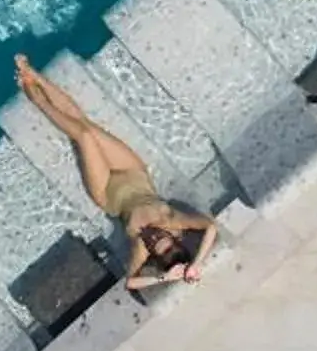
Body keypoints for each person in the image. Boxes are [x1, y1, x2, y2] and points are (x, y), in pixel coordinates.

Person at [14, 56, 220, 290]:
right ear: (175, 238)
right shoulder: (175, 221)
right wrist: (196, 264)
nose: (155, 238)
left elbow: (131, 283)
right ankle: (35, 77)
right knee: (86, 125)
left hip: (106, 191)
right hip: (133, 173)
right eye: (164, 240)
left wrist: (165, 277)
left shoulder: (140, 247)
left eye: (156, 246)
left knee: (84, 137)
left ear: (153, 253)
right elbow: (210, 227)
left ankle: (37, 97)